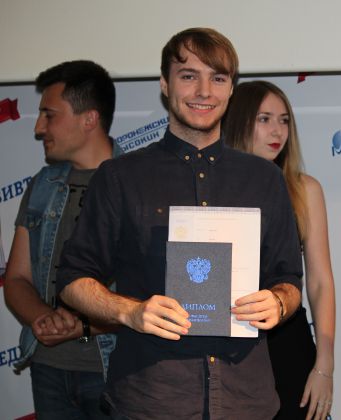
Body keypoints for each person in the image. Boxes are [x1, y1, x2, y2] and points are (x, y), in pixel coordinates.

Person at [56, 28, 303, 420]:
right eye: (189, 76)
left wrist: (278, 302)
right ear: (164, 84)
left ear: (231, 89)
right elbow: (71, 279)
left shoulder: (264, 179)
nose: (204, 91)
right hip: (151, 400)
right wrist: (129, 311)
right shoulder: (120, 177)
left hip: (245, 401)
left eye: (217, 78)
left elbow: (289, 279)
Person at [3, 60, 120, 419]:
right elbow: (16, 278)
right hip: (48, 371)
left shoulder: (139, 186)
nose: (39, 128)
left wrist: (82, 326)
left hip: (117, 371)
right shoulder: (43, 185)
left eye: (49, 115)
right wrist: (44, 319)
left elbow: (152, 293)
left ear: (89, 119)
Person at [223, 81, 336, 420]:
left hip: (289, 343)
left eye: (284, 120)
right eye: (264, 119)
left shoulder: (304, 189)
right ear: (239, 122)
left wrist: (325, 366)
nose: (277, 131)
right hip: (229, 344)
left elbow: (320, 282)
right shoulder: (210, 187)